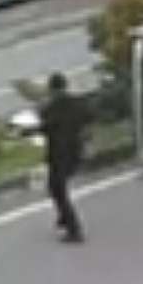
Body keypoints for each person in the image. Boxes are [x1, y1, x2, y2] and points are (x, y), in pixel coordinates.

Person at [39, 72, 89, 244]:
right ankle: (63, 217)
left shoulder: (50, 108)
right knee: (58, 188)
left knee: (57, 190)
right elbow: (86, 118)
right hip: (74, 150)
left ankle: (73, 229)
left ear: (52, 89)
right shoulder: (76, 103)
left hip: (59, 154)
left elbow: (45, 127)